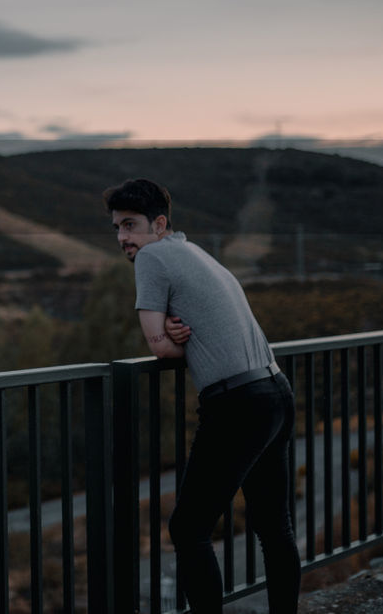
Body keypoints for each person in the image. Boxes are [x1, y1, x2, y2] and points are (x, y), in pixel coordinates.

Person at [104, 178, 301, 614]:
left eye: (130, 225)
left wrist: (174, 337)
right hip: (275, 390)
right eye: (117, 228)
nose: (122, 238)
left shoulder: (152, 257)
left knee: (188, 528)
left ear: (159, 224)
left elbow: (158, 346)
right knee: (273, 527)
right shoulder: (193, 251)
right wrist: (178, 332)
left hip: (238, 404)